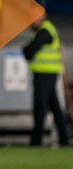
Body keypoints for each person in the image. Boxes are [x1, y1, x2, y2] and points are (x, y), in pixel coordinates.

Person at [23, 15, 69, 147]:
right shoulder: (45, 30)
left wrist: (25, 50)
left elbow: (29, 50)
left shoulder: (44, 31)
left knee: (40, 105)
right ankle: (64, 138)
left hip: (45, 73)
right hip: (47, 72)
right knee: (54, 106)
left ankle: (36, 140)